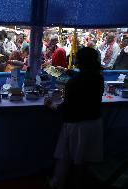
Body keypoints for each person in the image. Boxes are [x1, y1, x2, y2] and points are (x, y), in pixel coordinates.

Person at [45, 47, 104, 189]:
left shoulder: (74, 83)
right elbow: (85, 82)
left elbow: (66, 107)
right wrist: (68, 72)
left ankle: (59, 183)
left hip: (76, 126)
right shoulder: (98, 78)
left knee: (68, 158)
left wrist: (50, 104)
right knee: (84, 162)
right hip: (95, 123)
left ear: (79, 61)